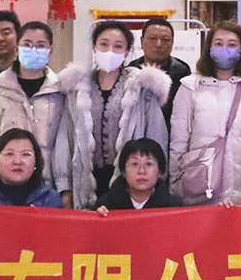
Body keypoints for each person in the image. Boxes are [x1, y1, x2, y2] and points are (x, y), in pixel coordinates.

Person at [54, 20, 171, 208]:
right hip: (84, 178)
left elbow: (157, 137)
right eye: (104, 44)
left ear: (127, 52)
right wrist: (64, 187)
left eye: (118, 46)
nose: (110, 51)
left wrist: (156, 180)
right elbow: (65, 138)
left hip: (130, 181)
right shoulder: (77, 88)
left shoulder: (142, 88)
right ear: (94, 47)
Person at [169, 22, 241, 205]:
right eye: (218, 43)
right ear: (209, 48)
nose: (225, 48)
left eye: (232, 44)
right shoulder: (190, 87)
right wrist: (175, 181)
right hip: (201, 185)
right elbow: (178, 141)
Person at [0, 20, 67, 195]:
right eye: (27, 44)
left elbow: (67, 145)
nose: (33, 50)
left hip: (48, 189)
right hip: (1, 188)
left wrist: (66, 189)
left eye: (41, 45)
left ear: (50, 49)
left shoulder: (62, 93)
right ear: (17, 48)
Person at [0, 128, 64, 207]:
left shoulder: (50, 199)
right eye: (9, 154)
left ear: (36, 162)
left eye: (26, 154)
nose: (17, 161)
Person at [127, 17, 192, 124]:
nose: (158, 44)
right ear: (142, 41)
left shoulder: (182, 71)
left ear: (172, 43)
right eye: (152, 38)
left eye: (165, 39)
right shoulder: (132, 70)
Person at [95, 137, 182, 213]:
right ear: (123, 170)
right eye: (134, 164)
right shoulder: (106, 205)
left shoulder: (173, 207)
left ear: (159, 171)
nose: (141, 171)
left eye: (149, 164)